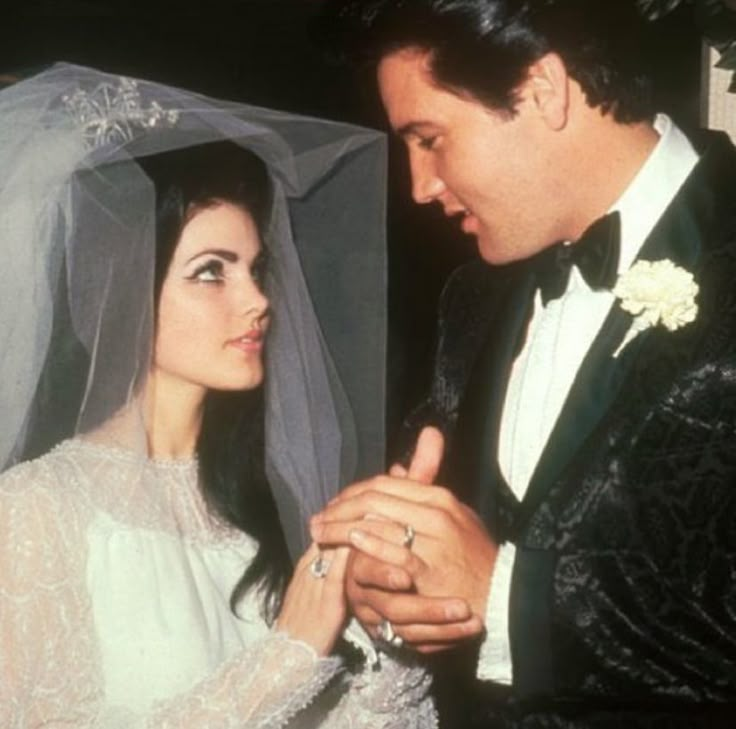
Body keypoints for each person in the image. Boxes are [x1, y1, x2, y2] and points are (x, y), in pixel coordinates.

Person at [311, 1, 736, 726]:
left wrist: (508, 596)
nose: (419, 185)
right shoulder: (473, 297)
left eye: (430, 138)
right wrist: (393, 578)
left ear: (542, 88)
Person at [0, 62, 437, 728]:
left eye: (256, 269)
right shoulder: (35, 509)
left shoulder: (264, 502)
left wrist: (393, 632)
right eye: (212, 272)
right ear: (118, 292)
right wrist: (289, 653)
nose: (259, 300)